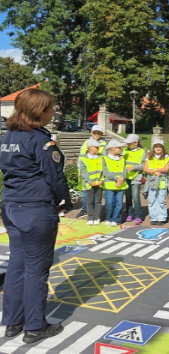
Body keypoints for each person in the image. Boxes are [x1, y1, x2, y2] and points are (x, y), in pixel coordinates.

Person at [0, 88, 72, 343]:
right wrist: (66, 201)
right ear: (39, 112)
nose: (54, 112)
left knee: (17, 267)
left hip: (11, 206)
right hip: (35, 209)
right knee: (36, 270)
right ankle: (34, 326)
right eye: (51, 108)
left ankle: (12, 321)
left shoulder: (8, 136)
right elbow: (54, 176)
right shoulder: (41, 140)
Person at [76, 124, 107, 218]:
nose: (96, 134)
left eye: (99, 133)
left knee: (96, 193)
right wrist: (79, 169)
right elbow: (81, 157)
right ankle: (85, 209)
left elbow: (105, 159)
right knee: (85, 191)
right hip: (86, 172)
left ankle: (95, 211)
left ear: (101, 134)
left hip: (98, 173)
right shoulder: (86, 143)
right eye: (95, 132)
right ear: (91, 132)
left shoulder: (104, 145)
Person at [143, 138, 169, 225]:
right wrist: (153, 171)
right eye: (156, 147)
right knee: (152, 200)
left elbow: (166, 168)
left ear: (163, 148)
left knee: (161, 200)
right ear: (153, 148)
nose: (158, 148)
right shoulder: (149, 157)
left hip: (162, 182)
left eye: (160, 147)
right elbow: (145, 168)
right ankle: (153, 217)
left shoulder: (167, 157)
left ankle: (161, 218)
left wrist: (154, 169)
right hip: (152, 181)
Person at [79, 138, 104, 225]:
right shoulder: (83, 159)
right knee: (89, 202)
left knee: (97, 201)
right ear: (90, 147)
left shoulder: (101, 158)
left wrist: (102, 180)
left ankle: (97, 217)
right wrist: (89, 181)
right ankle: (90, 217)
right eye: (96, 147)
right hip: (89, 184)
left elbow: (104, 170)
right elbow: (83, 172)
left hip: (99, 184)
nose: (98, 149)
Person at [102, 139, 127, 226]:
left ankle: (116, 219)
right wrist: (116, 178)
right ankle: (109, 218)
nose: (121, 149)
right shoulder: (105, 158)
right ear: (113, 148)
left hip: (120, 185)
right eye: (119, 147)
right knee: (109, 203)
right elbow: (105, 172)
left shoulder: (122, 159)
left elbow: (124, 171)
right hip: (109, 184)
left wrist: (121, 179)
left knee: (119, 203)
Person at [123, 134, 147, 225]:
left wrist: (134, 167)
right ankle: (129, 213)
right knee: (128, 196)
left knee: (135, 196)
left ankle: (138, 215)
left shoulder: (142, 151)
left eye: (129, 143)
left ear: (136, 143)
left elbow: (144, 165)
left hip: (136, 176)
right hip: (126, 176)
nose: (127, 145)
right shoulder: (125, 150)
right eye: (127, 143)